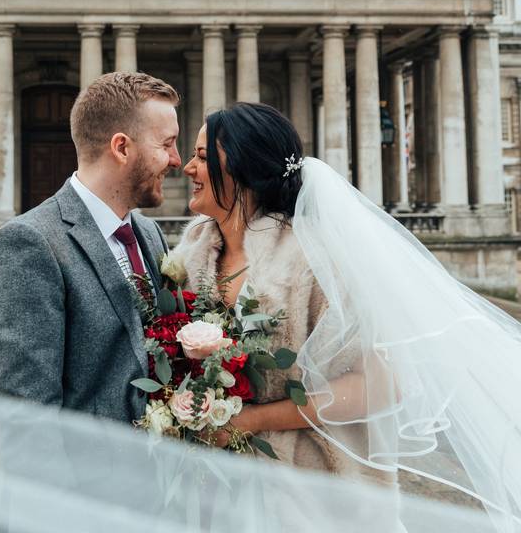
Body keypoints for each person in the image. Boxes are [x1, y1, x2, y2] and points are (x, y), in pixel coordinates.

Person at [174, 102, 521, 528]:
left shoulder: (317, 260)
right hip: (211, 492)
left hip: (318, 495)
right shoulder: (188, 256)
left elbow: (379, 384)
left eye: (204, 157)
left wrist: (252, 421)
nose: (187, 167)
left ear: (244, 168)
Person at [0, 71, 181, 424]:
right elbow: (27, 418)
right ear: (121, 148)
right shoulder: (28, 244)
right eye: (166, 145)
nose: (177, 160)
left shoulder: (149, 234)